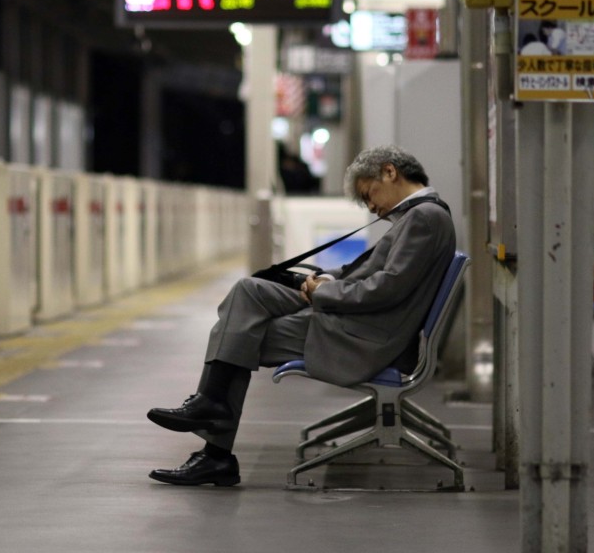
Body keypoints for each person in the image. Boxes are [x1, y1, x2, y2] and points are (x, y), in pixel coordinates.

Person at [146, 145, 456, 486]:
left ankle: (215, 450)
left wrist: (323, 292)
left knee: (241, 334)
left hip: (366, 336)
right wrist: (325, 278)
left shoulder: (424, 217)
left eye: (369, 195)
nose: (371, 207)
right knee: (248, 291)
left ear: (390, 172)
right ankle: (211, 404)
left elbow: (387, 288)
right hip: (360, 318)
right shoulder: (420, 215)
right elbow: (374, 274)